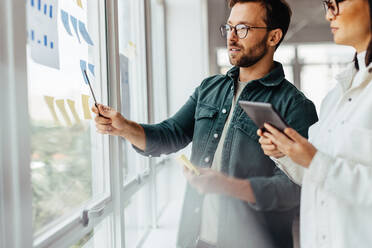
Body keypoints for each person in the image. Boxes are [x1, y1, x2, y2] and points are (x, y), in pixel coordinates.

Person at [93, 0, 318, 247]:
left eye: (242, 29)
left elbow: (297, 188)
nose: (231, 37)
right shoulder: (209, 89)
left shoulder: (296, 106)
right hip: (197, 239)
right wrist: (124, 127)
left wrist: (230, 186)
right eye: (229, 27)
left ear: (273, 36)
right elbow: (171, 134)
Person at [258, 0, 372, 247]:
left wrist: (314, 160)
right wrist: (287, 154)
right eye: (326, 5)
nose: (330, 15)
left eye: (336, 3)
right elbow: (316, 175)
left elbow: (322, 166)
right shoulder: (335, 96)